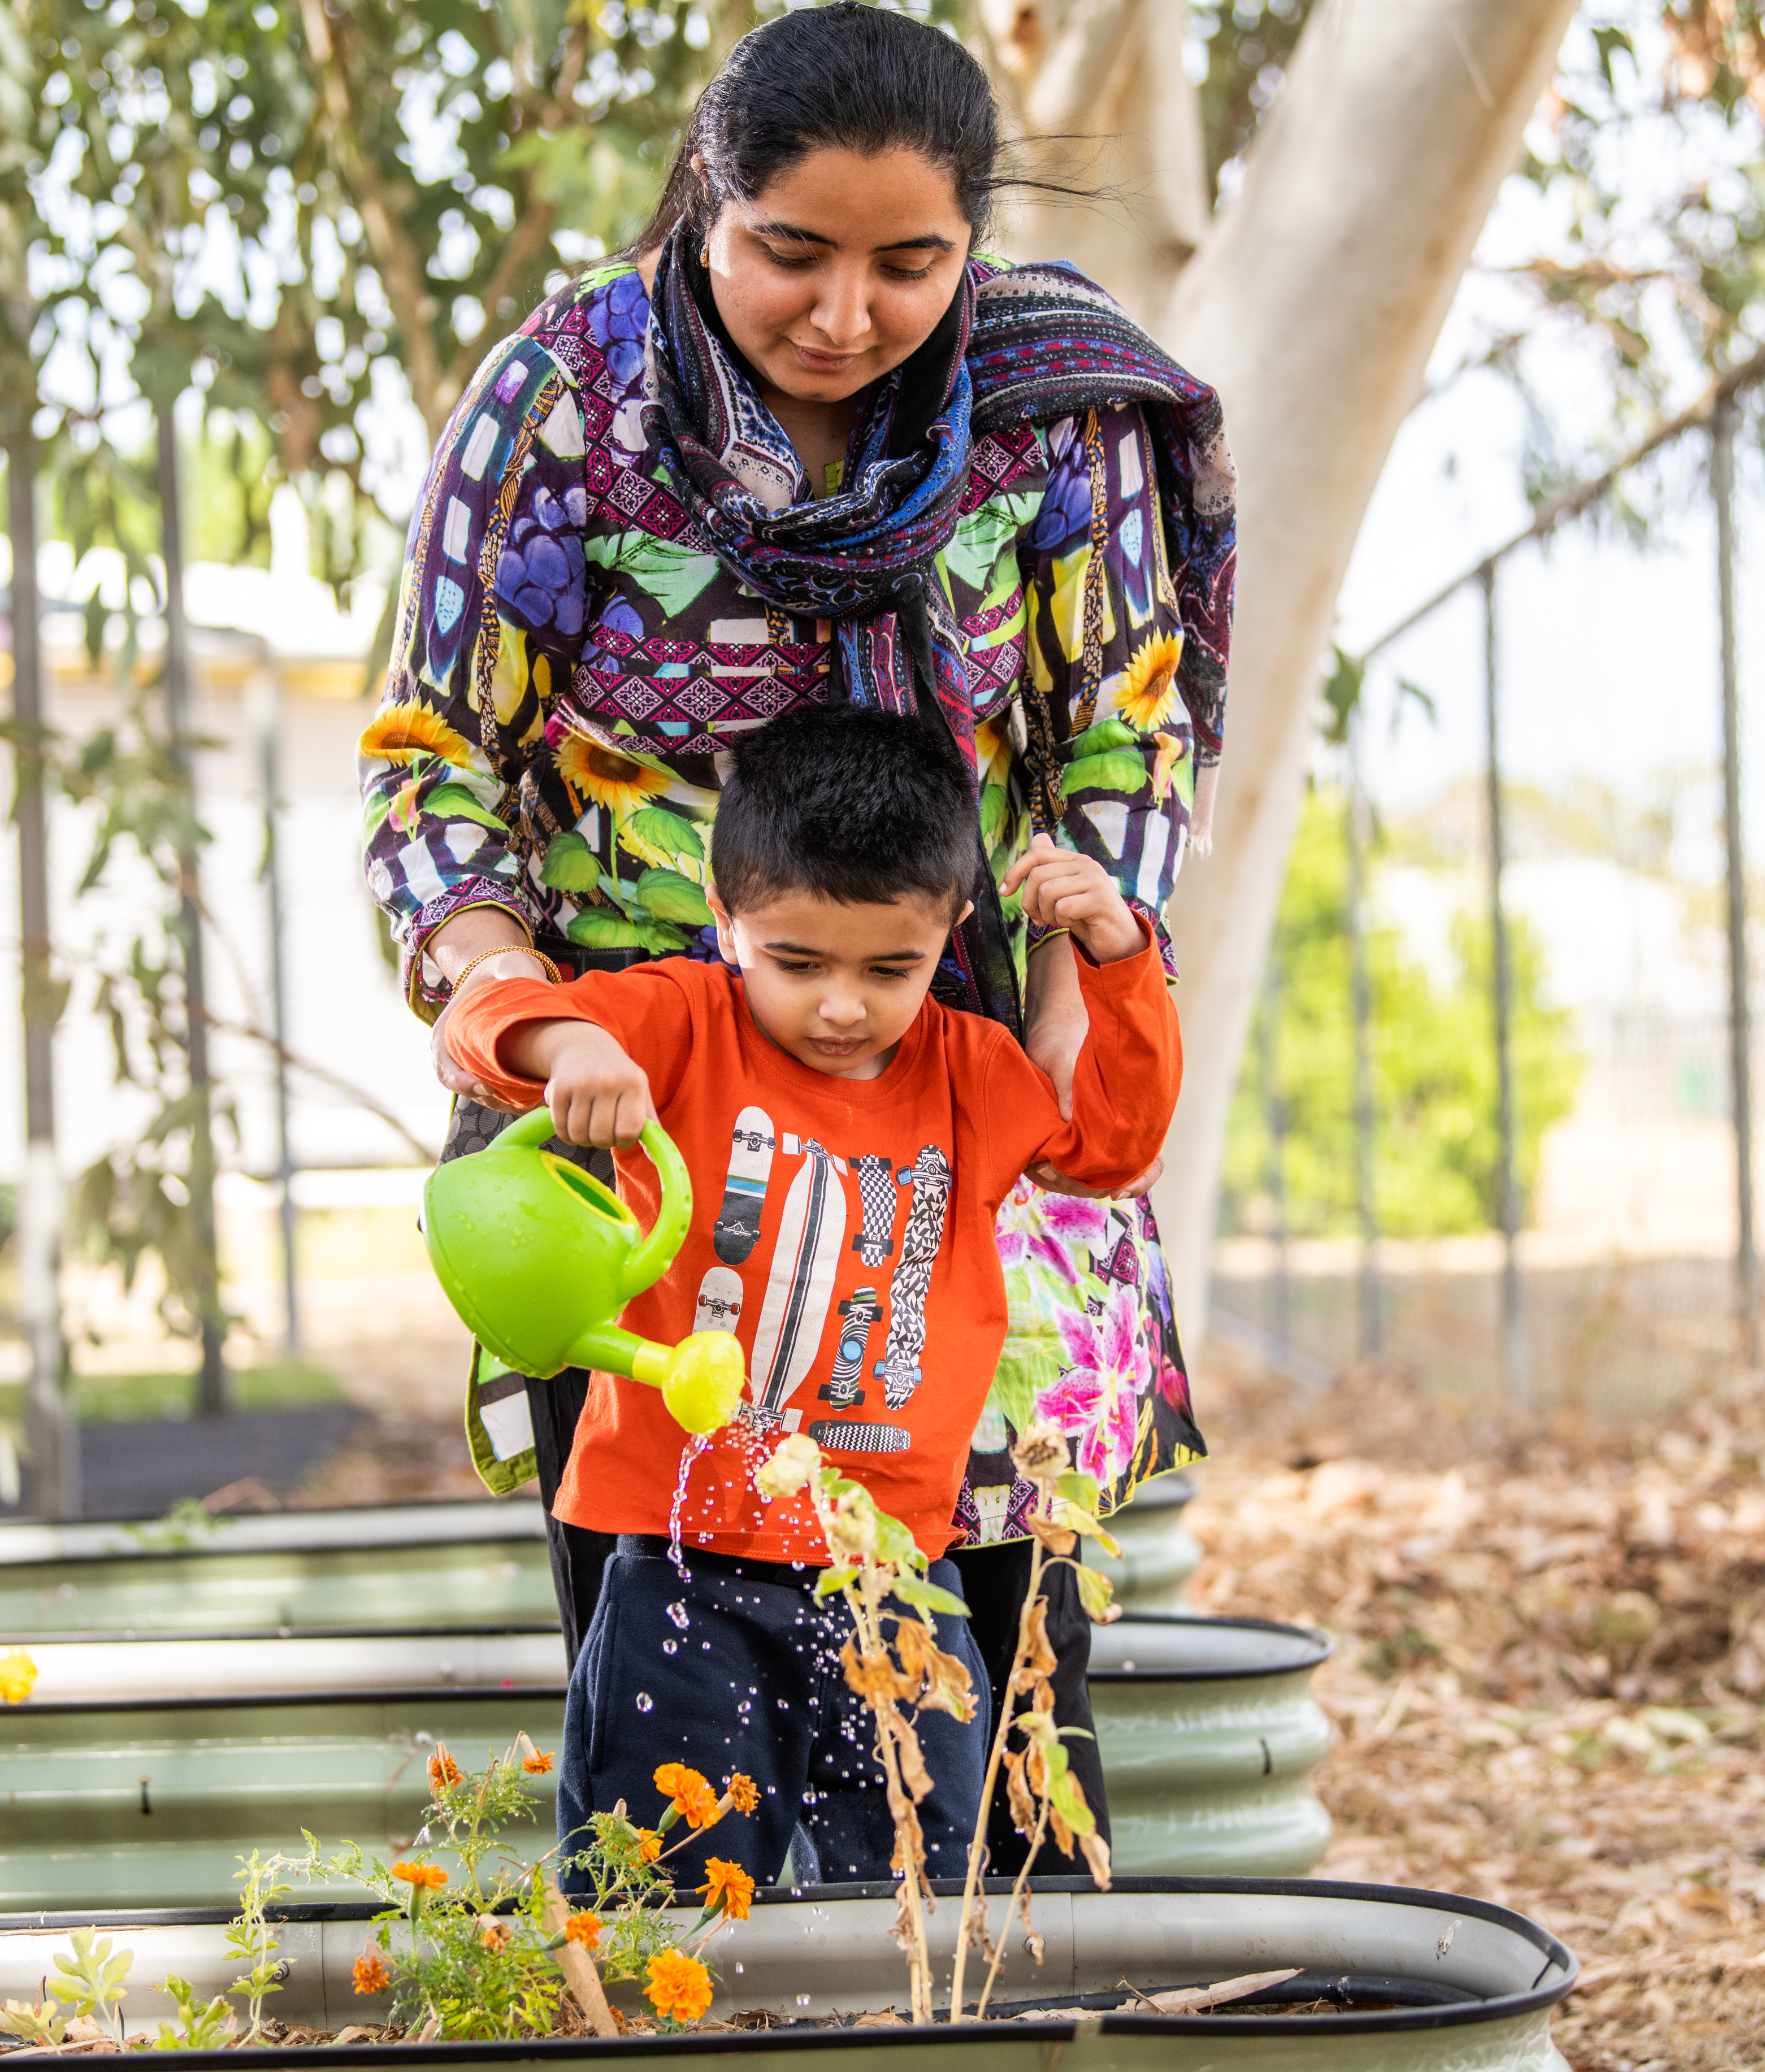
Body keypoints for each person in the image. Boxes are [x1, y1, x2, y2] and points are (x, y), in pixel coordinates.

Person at [358, 0, 1233, 1867]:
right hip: (640, 1125)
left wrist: (1094, 937)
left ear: (972, 242)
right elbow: (435, 762)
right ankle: (701, 1980)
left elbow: (1129, 722)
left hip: (961, 1099)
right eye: (793, 254)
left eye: (911, 262)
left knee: (999, 1664)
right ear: (705, 201)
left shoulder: (1053, 411)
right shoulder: (555, 409)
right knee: (673, 1647)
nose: (848, 314)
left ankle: (1001, 1986)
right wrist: (517, 1009)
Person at [444, 708, 1179, 1885]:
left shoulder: (972, 1070)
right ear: (725, 919)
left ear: (947, 929)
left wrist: (1116, 958)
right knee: (659, 1885)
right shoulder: (680, 1022)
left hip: (895, 1567)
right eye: (797, 963)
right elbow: (477, 1024)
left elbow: (1108, 1144)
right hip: (681, 1559)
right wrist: (561, 1044)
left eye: (889, 969)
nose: (843, 1006)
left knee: (910, 1887)